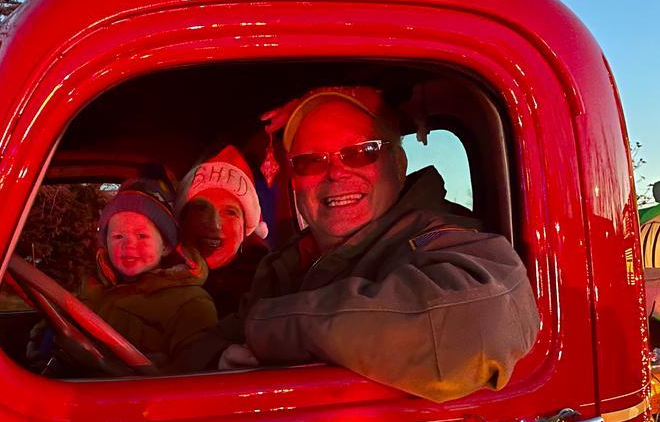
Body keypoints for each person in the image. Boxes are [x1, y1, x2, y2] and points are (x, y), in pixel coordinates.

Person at [184, 85, 540, 402]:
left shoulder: (436, 238)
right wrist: (217, 357)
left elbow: (480, 322)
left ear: (397, 164)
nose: (336, 173)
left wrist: (270, 331)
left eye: (361, 152)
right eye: (311, 161)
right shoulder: (287, 262)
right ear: (294, 181)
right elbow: (214, 339)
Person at [29, 178, 218, 373]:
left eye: (142, 236)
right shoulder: (95, 285)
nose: (128, 245)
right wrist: (40, 338)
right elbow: (62, 317)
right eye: (118, 236)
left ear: (166, 246)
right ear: (106, 244)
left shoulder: (190, 304)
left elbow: (193, 377)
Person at [175, 146, 270, 317]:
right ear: (183, 219)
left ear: (245, 228)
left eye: (229, 212)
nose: (215, 224)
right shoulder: (155, 275)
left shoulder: (268, 285)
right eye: (201, 209)